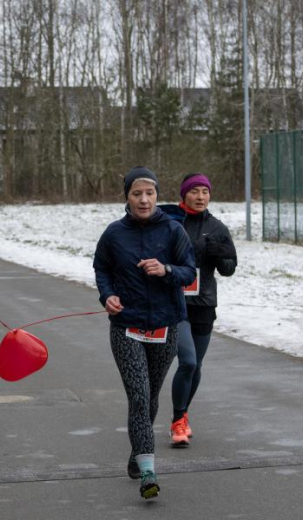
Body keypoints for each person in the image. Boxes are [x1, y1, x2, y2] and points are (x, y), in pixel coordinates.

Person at [93, 166, 195, 500]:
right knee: (138, 396)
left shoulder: (173, 230)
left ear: (157, 195)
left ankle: (138, 452)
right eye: (137, 193)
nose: (144, 199)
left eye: (149, 193)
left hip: (166, 327)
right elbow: (102, 268)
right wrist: (106, 295)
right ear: (127, 197)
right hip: (127, 327)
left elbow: (188, 272)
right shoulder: (113, 234)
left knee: (150, 396)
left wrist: (165, 269)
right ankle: (148, 472)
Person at [160, 173, 237, 447]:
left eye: (205, 191)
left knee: (196, 366)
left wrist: (221, 254)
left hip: (204, 303)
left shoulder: (217, 227)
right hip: (175, 302)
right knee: (188, 361)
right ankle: (178, 419)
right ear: (184, 194)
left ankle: (181, 416)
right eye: (195, 191)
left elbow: (228, 269)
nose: (201, 196)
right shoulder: (169, 222)